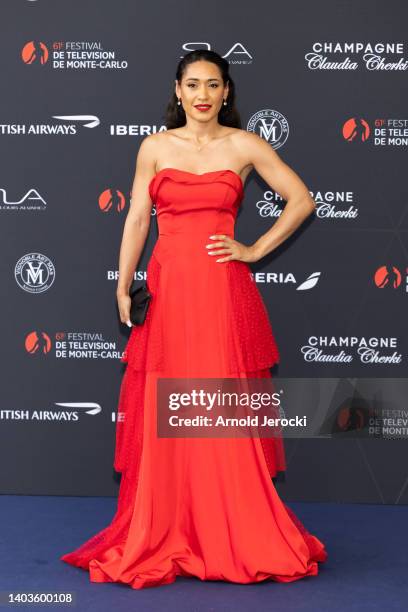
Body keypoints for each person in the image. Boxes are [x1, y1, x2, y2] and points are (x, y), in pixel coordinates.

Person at [60, 49, 327, 589]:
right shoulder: (155, 148)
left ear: (226, 91)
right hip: (168, 291)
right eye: (192, 84)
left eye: (212, 84)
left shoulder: (244, 144)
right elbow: (138, 216)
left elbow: (302, 199)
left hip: (221, 293)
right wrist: (121, 279)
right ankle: (168, 527)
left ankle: (232, 528)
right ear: (177, 91)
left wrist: (253, 249)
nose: (202, 94)